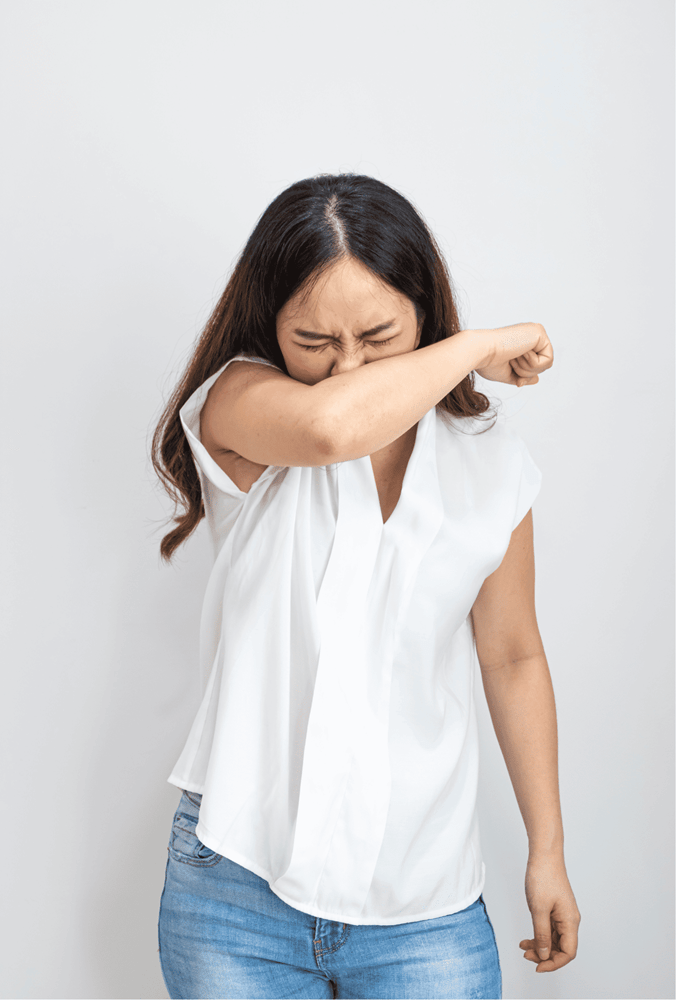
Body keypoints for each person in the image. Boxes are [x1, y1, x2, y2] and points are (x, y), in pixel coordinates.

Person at [151, 173, 580, 1000]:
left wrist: (547, 850)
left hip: (426, 902)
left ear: (422, 308)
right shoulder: (242, 407)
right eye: (314, 341)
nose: (344, 366)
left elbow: (515, 656)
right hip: (236, 891)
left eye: (378, 334)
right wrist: (477, 346)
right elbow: (331, 425)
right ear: (272, 328)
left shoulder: (491, 466)